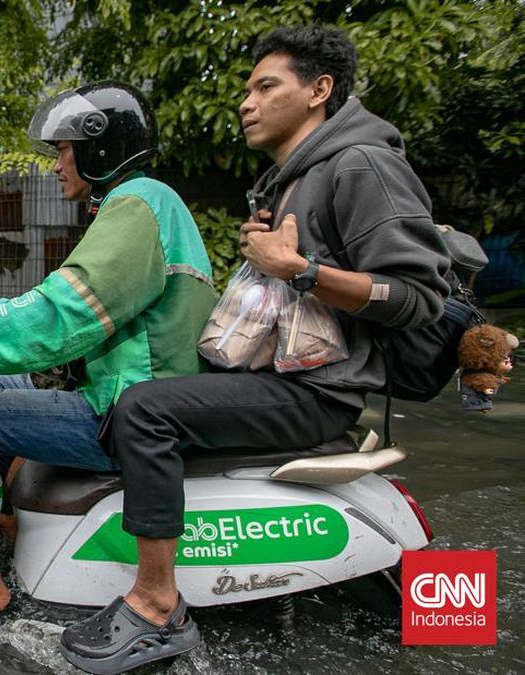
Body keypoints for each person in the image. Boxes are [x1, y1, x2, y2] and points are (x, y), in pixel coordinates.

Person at [60, 26, 452, 674]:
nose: (247, 101)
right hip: (285, 376)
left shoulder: (363, 164)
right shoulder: (290, 179)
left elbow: (417, 296)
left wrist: (297, 269)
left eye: (266, 86)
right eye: (246, 88)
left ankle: (157, 604)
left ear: (319, 90)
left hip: (317, 392)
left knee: (144, 409)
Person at [0, 83, 218, 620]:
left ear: (99, 148)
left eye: (63, 151)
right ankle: (8, 521)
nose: (56, 165)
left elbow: (58, 317)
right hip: (128, 395)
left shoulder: (139, 204)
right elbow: (65, 302)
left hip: (126, 412)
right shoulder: (140, 205)